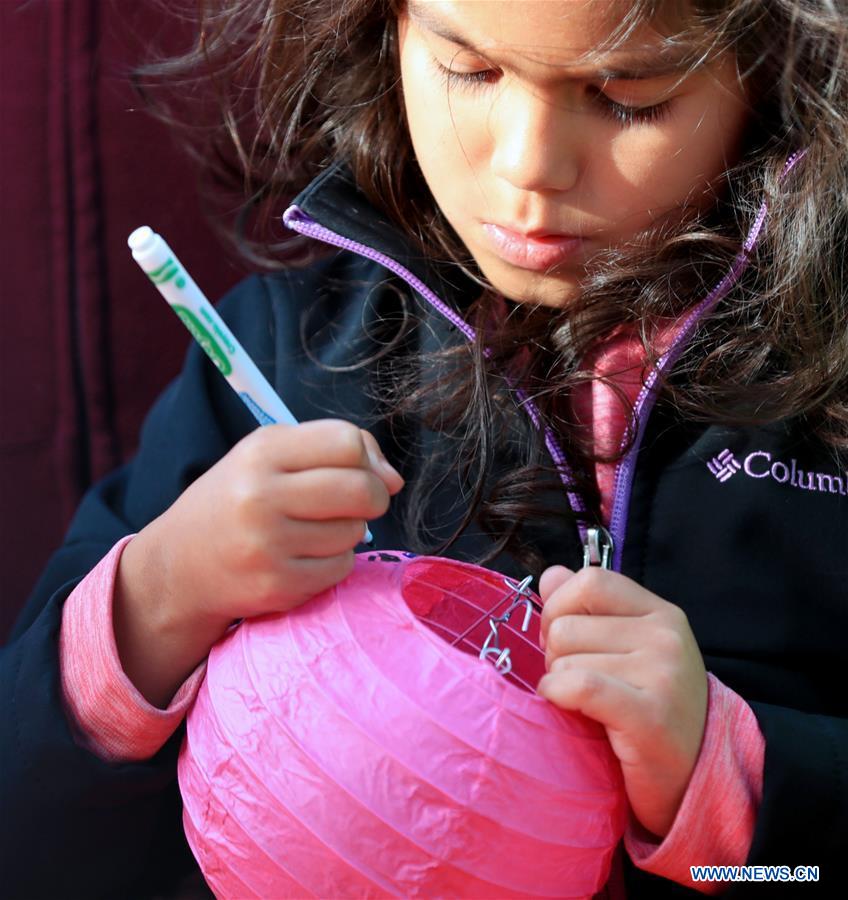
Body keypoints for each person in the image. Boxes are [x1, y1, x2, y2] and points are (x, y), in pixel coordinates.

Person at [3, 0, 846, 896]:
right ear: (387, 30)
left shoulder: (826, 385)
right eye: (470, 70)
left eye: (627, 98)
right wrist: (159, 601)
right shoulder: (286, 351)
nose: (529, 165)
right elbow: (33, 844)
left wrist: (725, 787)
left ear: (774, 71)